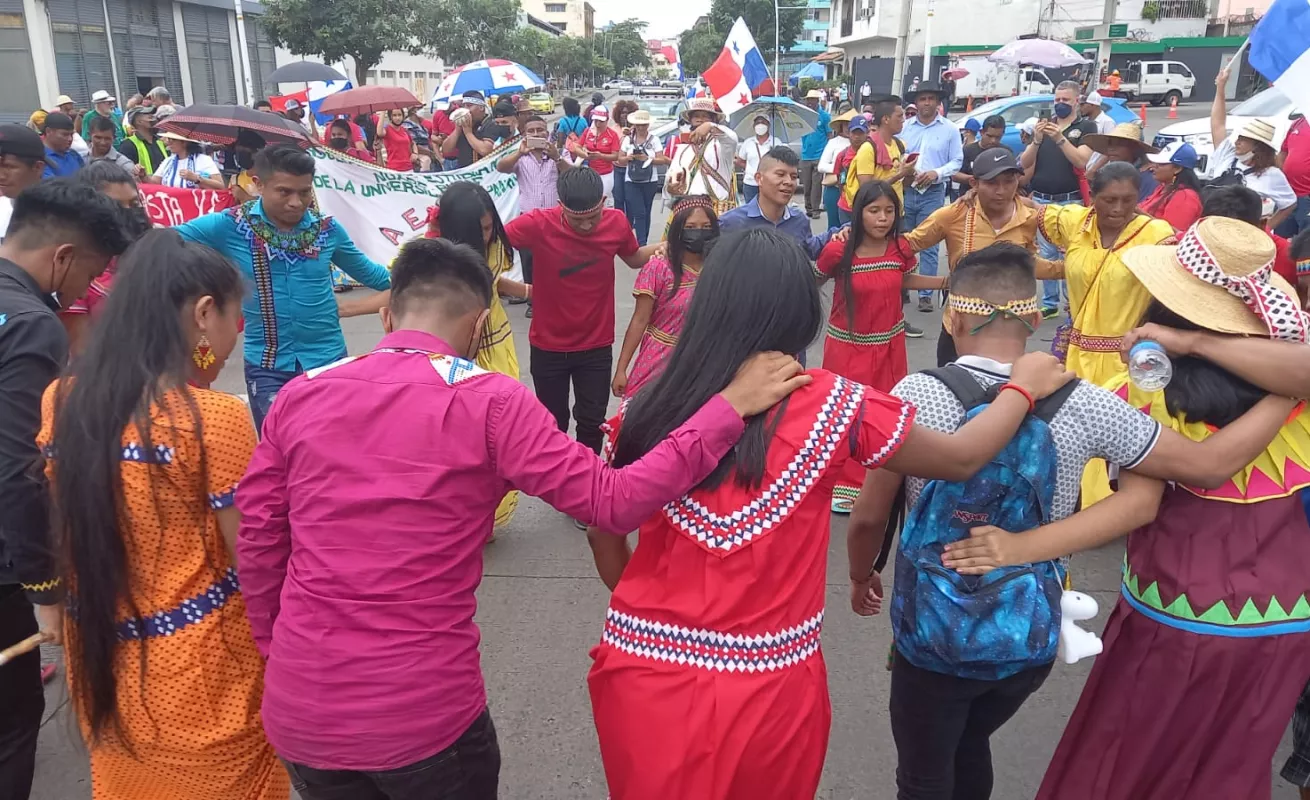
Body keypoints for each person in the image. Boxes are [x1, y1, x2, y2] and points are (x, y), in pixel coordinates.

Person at [236, 235, 806, 799]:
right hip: (421, 716)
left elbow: (258, 541)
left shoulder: (299, 396)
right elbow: (614, 501)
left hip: (300, 711)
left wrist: (278, 651)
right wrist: (727, 408)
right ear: (482, 325)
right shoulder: (492, 402)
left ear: (387, 316)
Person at [587, 227, 1078, 800]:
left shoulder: (646, 405)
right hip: (767, 686)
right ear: (800, 315)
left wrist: (656, 605)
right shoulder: (834, 404)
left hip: (642, 669)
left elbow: (604, 531)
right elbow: (961, 457)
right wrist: (1021, 389)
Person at [847, 238, 1301, 800]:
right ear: (1035, 318)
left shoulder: (915, 394)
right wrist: (1288, 393)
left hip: (932, 634)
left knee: (925, 772)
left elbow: (868, 516)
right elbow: (1202, 469)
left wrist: (861, 574)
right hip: (1026, 631)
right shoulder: (1087, 402)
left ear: (951, 318)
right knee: (973, 741)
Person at [1030, 217, 1310, 799]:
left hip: (1177, 610)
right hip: (1287, 617)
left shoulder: (1150, 386)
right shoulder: (1290, 388)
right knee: (1231, 770)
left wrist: (1018, 550)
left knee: (1130, 761)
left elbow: (1143, 502)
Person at [39, 228, 290, 800]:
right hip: (204, 672)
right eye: (234, 317)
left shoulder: (62, 399)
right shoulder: (213, 419)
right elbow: (253, 563)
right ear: (203, 314)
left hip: (101, 655)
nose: (234, 335)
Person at [0, 179, 130, 800]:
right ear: (62, 257)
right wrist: (44, 586)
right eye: (91, 274)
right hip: (5, 567)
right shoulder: (31, 324)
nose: (86, 291)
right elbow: (17, 467)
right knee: (11, 722)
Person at [175, 145, 391, 430]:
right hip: (267, 367)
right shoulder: (229, 226)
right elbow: (165, 243)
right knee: (277, 447)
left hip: (328, 360)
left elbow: (377, 277)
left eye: (304, 192)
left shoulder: (327, 231)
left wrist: (423, 275)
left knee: (334, 443)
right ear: (259, 184)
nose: (296, 203)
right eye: (284, 192)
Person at [502, 168, 660, 479]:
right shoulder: (537, 224)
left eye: (593, 217)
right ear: (561, 206)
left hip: (596, 346)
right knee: (553, 422)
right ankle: (559, 478)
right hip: (548, 346)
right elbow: (489, 242)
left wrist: (668, 245)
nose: (587, 225)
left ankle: (585, 482)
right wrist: (519, 290)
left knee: (591, 421)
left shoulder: (616, 222)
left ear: (603, 201)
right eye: (578, 220)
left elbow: (633, 258)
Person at [817, 180, 947, 511]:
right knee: (848, 414)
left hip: (889, 345)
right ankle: (845, 483)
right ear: (859, 213)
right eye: (874, 210)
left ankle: (880, 480)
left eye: (889, 211)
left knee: (883, 412)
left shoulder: (900, 248)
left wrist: (947, 282)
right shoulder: (839, 251)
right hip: (847, 348)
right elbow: (815, 278)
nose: (882, 218)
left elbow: (903, 279)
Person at [428, 183, 530, 529]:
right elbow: (402, 293)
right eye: (479, 230)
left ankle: (492, 514)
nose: (487, 236)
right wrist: (349, 308)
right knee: (462, 443)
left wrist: (531, 291)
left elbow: (494, 280)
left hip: (497, 348)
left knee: (500, 436)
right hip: (453, 356)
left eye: (489, 227)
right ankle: (463, 516)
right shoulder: (432, 256)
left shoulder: (495, 244)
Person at [906, 148, 1059, 365]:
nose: (1001, 191)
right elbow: (907, 245)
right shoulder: (954, 214)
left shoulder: (1030, 217)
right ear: (974, 184)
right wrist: (945, 282)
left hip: (1010, 333)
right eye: (992, 183)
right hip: (959, 330)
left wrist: (1069, 268)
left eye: (1009, 181)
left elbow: (1029, 265)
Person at [1020, 81, 1097, 318]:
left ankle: (1072, 303)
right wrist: (1037, 139)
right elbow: (1024, 163)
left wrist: (1060, 138)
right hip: (1042, 198)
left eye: (1065, 100)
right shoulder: (1045, 126)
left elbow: (1081, 160)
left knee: (1070, 253)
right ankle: (1050, 302)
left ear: (1077, 101)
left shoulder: (1085, 126)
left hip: (1070, 201)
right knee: (1046, 253)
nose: (1060, 104)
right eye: (1057, 100)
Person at [60, 161, 152, 354]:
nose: (129, 213)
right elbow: (81, 354)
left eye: (134, 204)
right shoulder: (75, 271)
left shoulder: (150, 253)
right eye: (116, 206)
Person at [496, 115, 570, 315]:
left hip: (555, 218)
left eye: (540, 130)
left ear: (547, 132)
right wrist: (519, 153)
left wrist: (557, 157)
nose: (536, 134)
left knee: (555, 260)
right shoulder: (520, 157)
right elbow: (501, 167)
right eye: (531, 131)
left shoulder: (558, 152)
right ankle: (534, 302)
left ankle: (556, 299)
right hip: (528, 219)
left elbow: (572, 174)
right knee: (529, 262)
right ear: (524, 134)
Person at [719, 146, 846, 260]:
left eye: (793, 177)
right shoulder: (731, 223)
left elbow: (810, 248)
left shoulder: (799, 221)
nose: (788, 182)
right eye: (780, 174)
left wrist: (846, 229)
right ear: (759, 178)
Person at [900, 83, 963, 314]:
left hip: (933, 192)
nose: (926, 102)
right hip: (906, 189)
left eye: (931, 98)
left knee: (929, 244)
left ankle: (925, 294)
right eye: (922, 98)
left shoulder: (950, 129)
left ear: (938, 102)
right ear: (916, 103)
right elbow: (896, 155)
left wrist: (937, 172)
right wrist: (906, 170)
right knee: (902, 242)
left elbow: (957, 161)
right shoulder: (904, 128)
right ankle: (902, 286)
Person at [1208, 69, 1296, 230]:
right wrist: (1221, 87)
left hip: (1242, 234)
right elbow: (1218, 124)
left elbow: (1289, 204)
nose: (1237, 142)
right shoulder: (1227, 156)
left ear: (1257, 146)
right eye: (1238, 137)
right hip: (1211, 227)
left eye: (1243, 139)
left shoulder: (1272, 174)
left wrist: (1266, 228)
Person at [664, 98, 740, 218]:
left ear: (713, 120)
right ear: (690, 120)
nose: (700, 119)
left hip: (716, 209)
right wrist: (670, 189)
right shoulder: (683, 149)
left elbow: (732, 138)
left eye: (705, 116)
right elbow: (670, 177)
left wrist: (710, 126)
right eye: (696, 116)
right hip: (687, 208)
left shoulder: (721, 146)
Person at [843, 100, 913, 221]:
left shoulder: (898, 145)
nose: (903, 120)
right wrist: (899, 175)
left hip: (896, 213)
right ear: (886, 119)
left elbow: (901, 185)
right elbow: (867, 189)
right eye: (899, 116)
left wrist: (909, 174)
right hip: (875, 217)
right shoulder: (868, 149)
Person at [619, 109, 667, 245]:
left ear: (648, 125)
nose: (641, 128)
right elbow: (619, 159)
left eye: (643, 125)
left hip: (650, 181)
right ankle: (641, 244)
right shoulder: (627, 140)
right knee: (639, 212)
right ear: (634, 125)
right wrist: (628, 158)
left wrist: (647, 159)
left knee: (646, 211)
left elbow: (662, 160)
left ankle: (643, 241)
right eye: (638, 125)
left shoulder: (654, 140)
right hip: (631, 181)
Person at [0, 125, 53, 239]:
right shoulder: (3, 206)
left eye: (9, 167)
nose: (1, 176)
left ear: (38, 168)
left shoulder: (61, 216)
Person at [1139, 141, 1203, 232]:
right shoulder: (1163, 187)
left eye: (1161, 164)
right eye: (1155, 163)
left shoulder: (1185, 197)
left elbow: (1172, 234)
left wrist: (1138, 212)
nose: (1152, 167)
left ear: (1177, 169)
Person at [145, 132, 223, 190]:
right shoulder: (168, 161)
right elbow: (155, 183)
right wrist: (143, 176)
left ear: (184, 142)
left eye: (173, 140)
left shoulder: (203, 160)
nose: (169, 143)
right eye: (169, 139)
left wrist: (196, 178)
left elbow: (220, 186)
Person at [576, 105, 621, 204]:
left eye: (601, 121)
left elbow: (615, 156)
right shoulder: (588, 132)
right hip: (590, 172)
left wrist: (601, 156)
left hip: (606, 173)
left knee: (601, 201)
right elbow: (577, 147)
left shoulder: (612, 135)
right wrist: (585, 155)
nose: (598, 124)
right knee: (590, 202)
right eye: (596, 121)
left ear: (607, 120)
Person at [818, 110, 854, 231]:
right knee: (834, 227)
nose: (848, 128)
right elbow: (821, 166)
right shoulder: (833, 142)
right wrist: (841, 167)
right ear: (841, 126)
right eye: (846, 124)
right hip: (835, 189)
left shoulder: (864, 144)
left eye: (851, 125)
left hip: (854, 192)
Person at [734, 114, 782, 204]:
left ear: (768, 125)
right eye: (757, 123)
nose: (760, 125)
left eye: (763, 122)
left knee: (769, 207)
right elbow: (740, 161)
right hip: (750, 183)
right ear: (754, 126)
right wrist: (751, 169)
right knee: (751, 208)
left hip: (769, 183)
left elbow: (781, 163)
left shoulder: (776, 142)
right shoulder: (748, 142)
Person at [442, 91, 497, 168]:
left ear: (481, 107)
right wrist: (457, 130)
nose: (466, 110)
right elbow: (446, 150)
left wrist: (468, 133)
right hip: (464, 170)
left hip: (483, 170)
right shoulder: (464, 125)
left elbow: (485, 151)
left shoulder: (490, 123)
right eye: (463, 106)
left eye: (469, 106)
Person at [953, 114, 1005, 196]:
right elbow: (954, 175)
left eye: (997, 137)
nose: (993, 141)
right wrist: (975, 180)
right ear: (982, 132)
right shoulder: (967, 150)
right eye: (989, 136)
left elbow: (1013, 177)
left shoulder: (1005, 152)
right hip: (970, 197)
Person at [1277, 113, 1310, 238]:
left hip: (1307, 197)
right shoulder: (1298, 123)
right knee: (1281, 239)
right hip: (1287, 195)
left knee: (1306, 243)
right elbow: (1283, 153)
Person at [800, 88, 832, 218]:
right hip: (805, 155)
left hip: (819, 155)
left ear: (817, 100)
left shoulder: (824, 116)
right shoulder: (804, 116)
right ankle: (808, 208)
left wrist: (828, 154)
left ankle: (815, 210)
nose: (809, 102)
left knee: (816, 185)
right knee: (806, 185)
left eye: (812, 100)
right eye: (808, 100)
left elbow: (829, 135)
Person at [117, 106, 168, 175]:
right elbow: (125, 172)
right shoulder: (128, 145)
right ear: (139, 122)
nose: (154, 120)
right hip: (143, 182)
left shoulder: (161, 141)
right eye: (150, 117)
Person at [608, 100, 636, 216]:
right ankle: (619, 220)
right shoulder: (613, 129)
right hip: (616, 169)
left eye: (628, 112)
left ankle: (629, 223)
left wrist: (630, 135)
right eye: (622, 113)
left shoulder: (637, 129)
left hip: (631, 169)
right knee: (618, 198)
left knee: (630, 200)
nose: (625, 115)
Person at [41, 112, 83, 178]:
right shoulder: (40, 160)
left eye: (71, 135)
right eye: (65, 134)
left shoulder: (73, 154)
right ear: (48, 131)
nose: (70, 139)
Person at [376, 108, 417, 172]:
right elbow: (379, 132)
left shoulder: (404, 130)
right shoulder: (387, 129)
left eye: (399, 115)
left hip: (408, 167)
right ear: (390, 117)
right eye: (394, 115)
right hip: (394, 169)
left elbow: (413, 143)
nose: (397, 118)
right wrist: (383, 111)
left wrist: (415, 153)